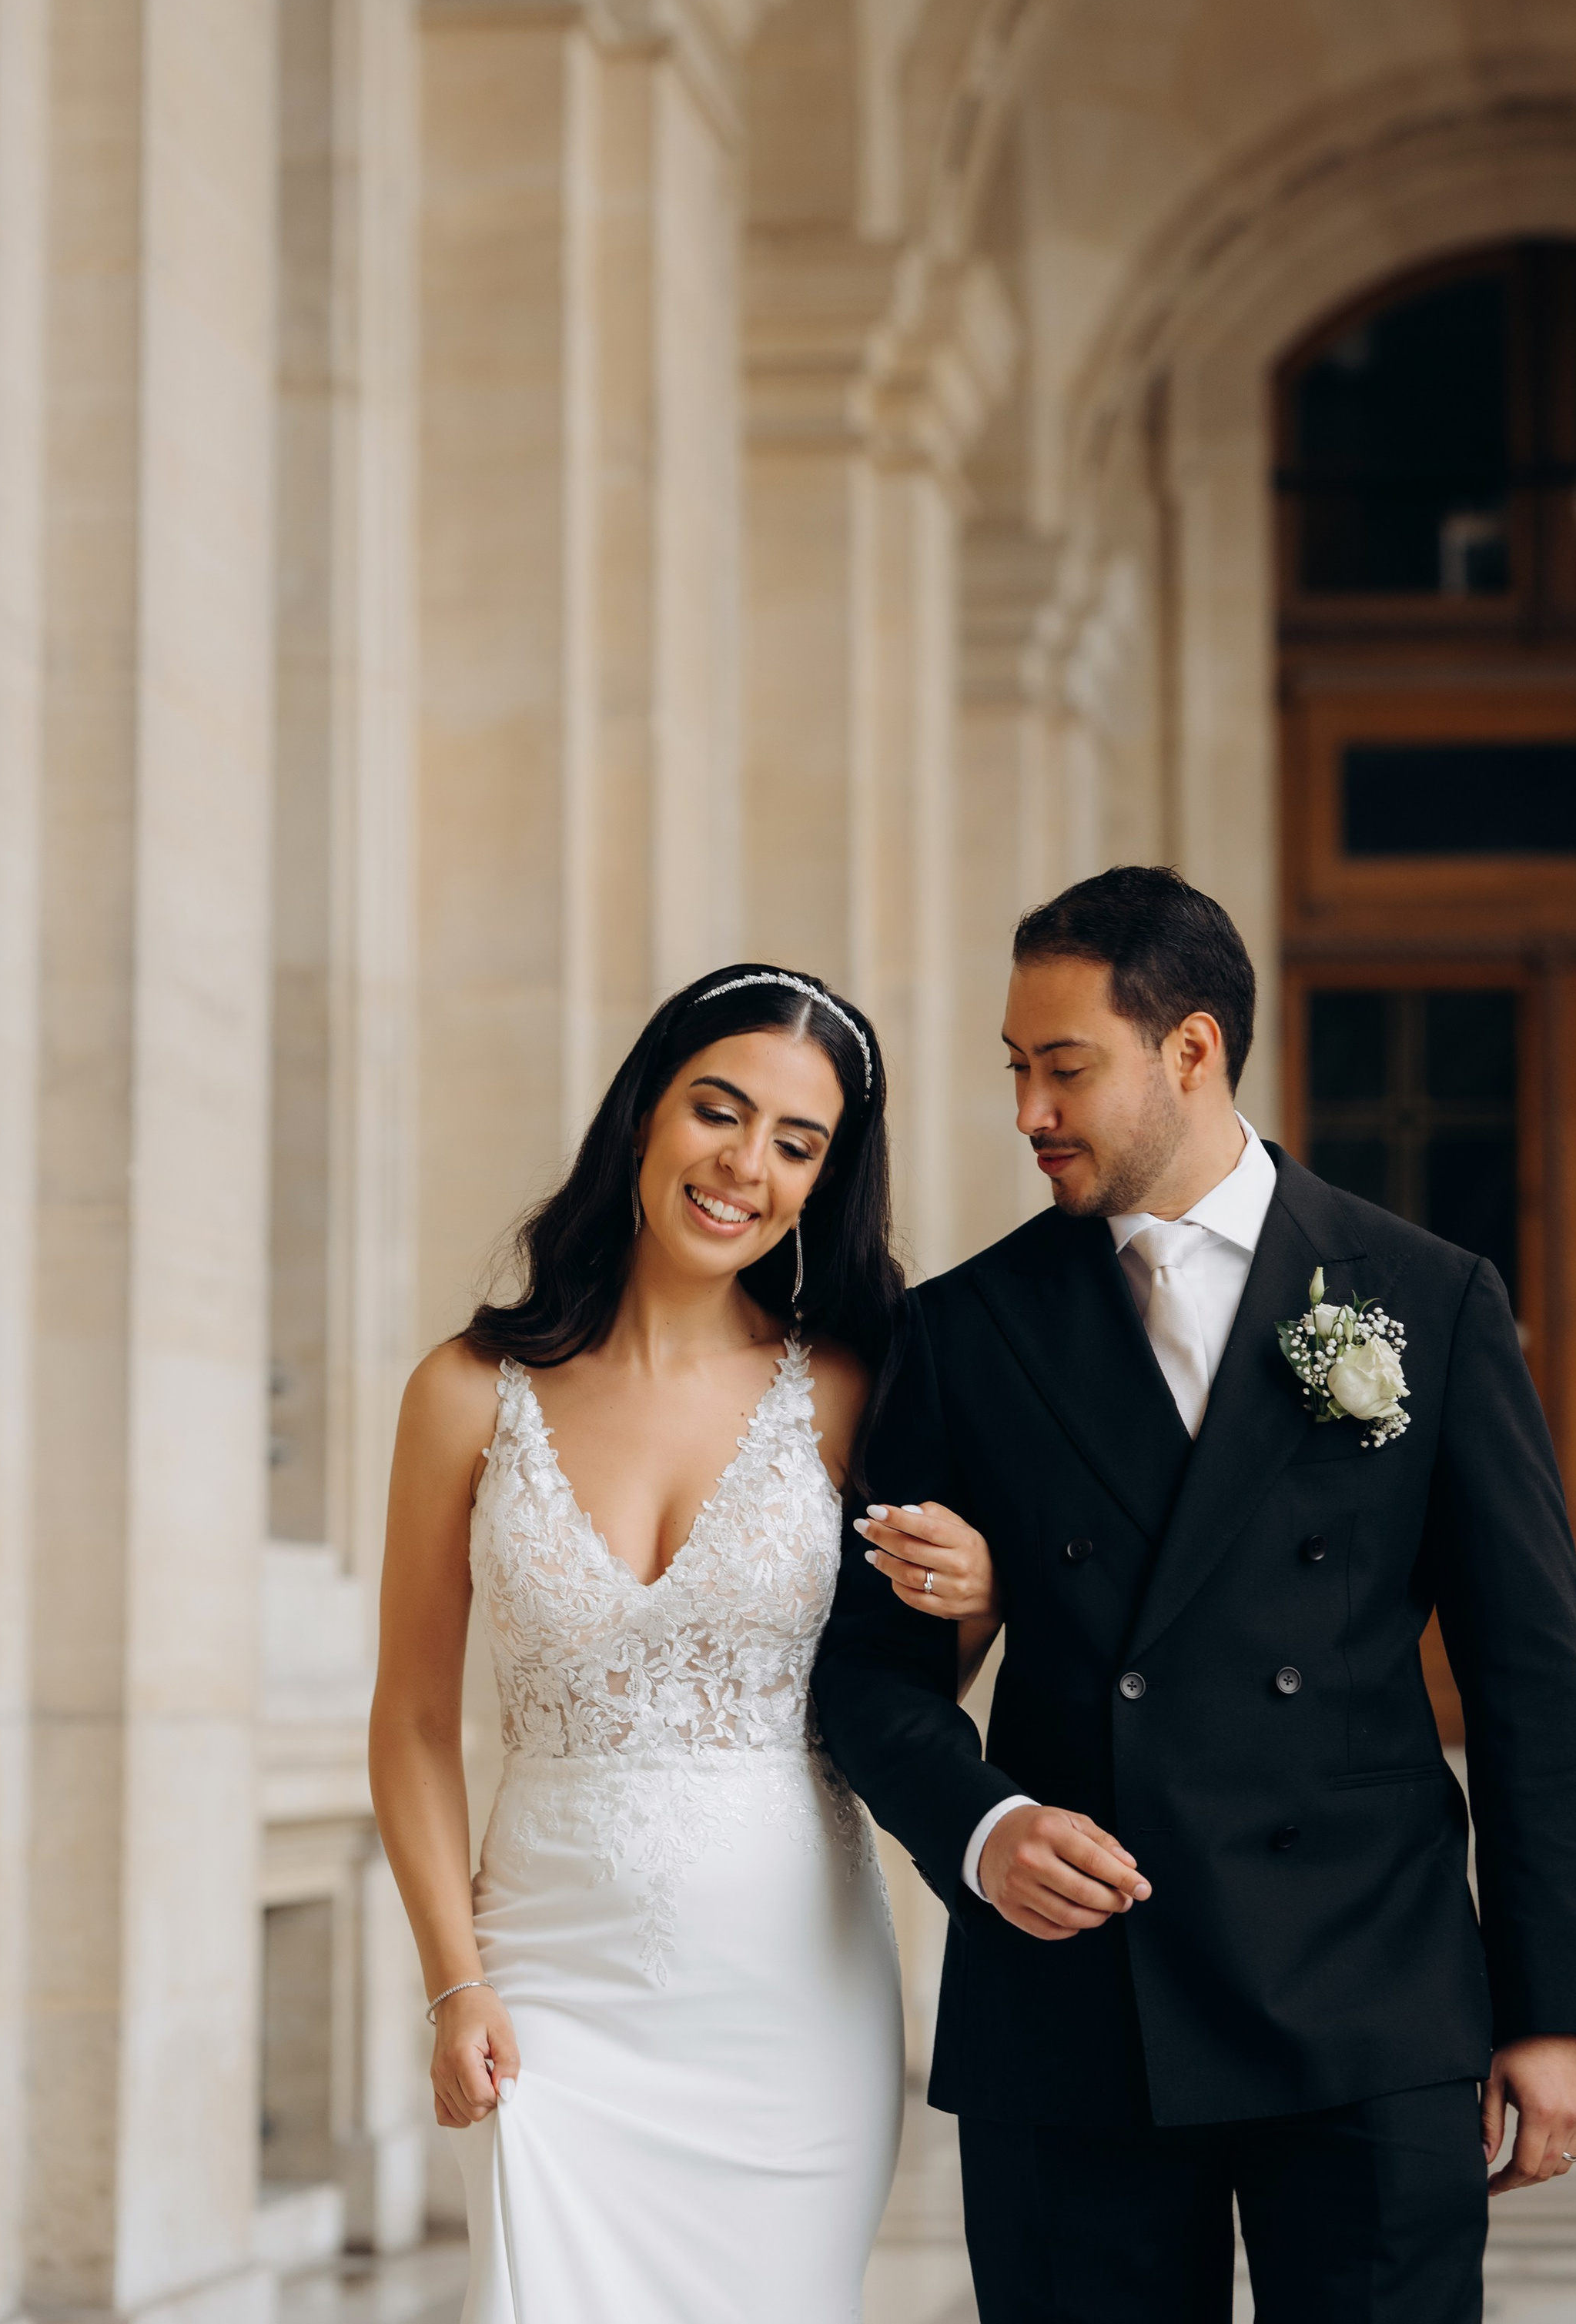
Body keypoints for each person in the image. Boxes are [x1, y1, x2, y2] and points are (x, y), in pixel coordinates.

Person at [814, 867, 1576, 2323]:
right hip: (1076, 2005)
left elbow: (1526, 1678)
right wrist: (984, 1829)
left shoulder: (1426, 1300)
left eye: (1066, 1069)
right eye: (1015, 1069)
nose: (1028, 1113)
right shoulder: (963, 1330)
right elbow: (866, 1669)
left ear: (1191, 1050)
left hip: (1371, 1993)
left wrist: (1553, 2007)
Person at [368, 963, 998, 2324]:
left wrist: (982, 1601)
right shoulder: (465, 1392)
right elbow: (416, 1718)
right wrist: (452, 1983)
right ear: (647, 1110)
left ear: (826, 1180)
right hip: (542, 1984)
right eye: (720, 1110)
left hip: (789, 1997)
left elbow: (892, 1687)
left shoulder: (851, 1390)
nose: (745, 1165)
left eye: (796, 1143)